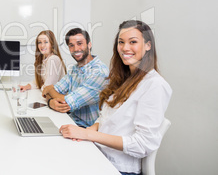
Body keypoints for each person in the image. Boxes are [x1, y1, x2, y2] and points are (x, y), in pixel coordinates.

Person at [59, 20, 172, 175]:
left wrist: (88, 134)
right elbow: (106, 117)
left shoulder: (155, 85)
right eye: (121, 42)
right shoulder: (123, 78)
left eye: (133, 42)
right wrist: (89, 131)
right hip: (99, 154)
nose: (125, 48)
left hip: (118, 167)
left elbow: (143, 145)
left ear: (148, 45)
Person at [42, 28, 109, 127]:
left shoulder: (99, 72)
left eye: (79, 43)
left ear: (89, 45)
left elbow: (67, 103)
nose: (76, 49)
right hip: (71, 121)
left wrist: (49, 89)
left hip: (87, 130)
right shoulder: (74, 69)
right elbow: (51, 91)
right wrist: (50, 101)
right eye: (71, 45)